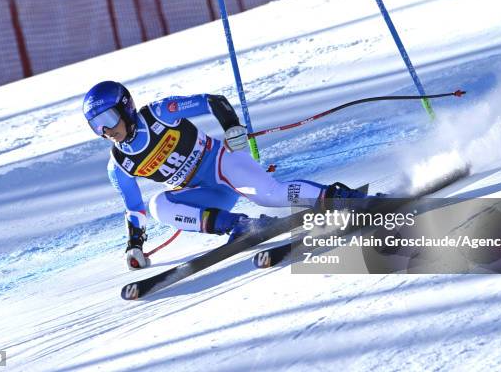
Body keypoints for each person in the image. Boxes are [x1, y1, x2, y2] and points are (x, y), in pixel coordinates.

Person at [82, 81, 367, 270]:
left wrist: (232, 128)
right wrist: (134, 245)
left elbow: (213, 101)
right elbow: (134, 209)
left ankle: (338, 197)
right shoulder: (118, 164)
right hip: (205, 194)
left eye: (108, 118)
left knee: (271, 196)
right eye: (96, 126)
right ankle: (239, 226)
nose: (105, 131)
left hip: (223, 164)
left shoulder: (159, 114)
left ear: (125, 108)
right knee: (158, 205)